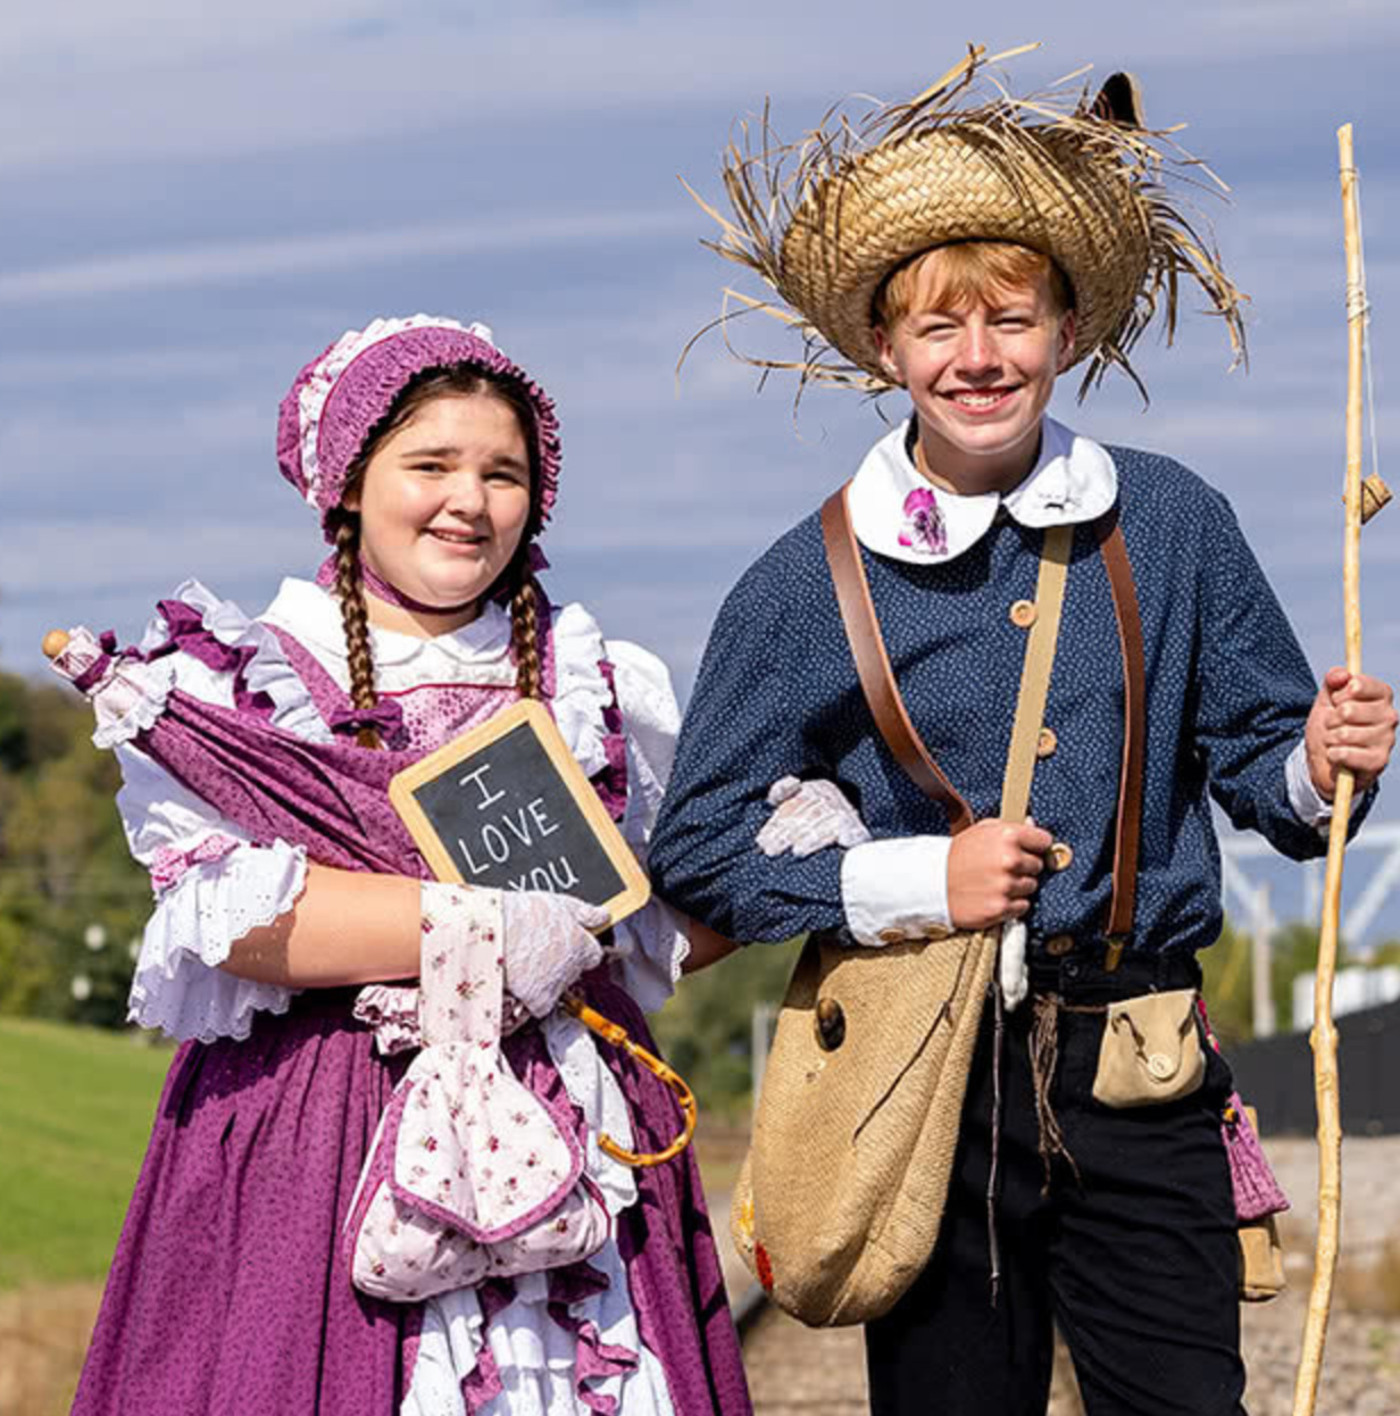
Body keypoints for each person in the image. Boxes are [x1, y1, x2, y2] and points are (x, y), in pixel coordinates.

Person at [648, 51, 1398, 1416]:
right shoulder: (807, 581)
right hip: (922, 1075)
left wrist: (1322, 757)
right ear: (884, 347)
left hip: (1142, 1061)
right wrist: (910, 882)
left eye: (1011, 316)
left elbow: (1265, 773)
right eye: (939, 327)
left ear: (1068, 329)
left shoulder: (1171, 525)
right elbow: (694, 846)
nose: (977, 356)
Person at [63, 315, 751, 1416]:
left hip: (569, 1119)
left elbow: (641, 931)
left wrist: (783, 868)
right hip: (320, 1132)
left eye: (502, 473)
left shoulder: (594, 679)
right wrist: (485, 927)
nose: (467, 502)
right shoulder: (243, 682)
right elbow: (239, 926)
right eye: (428, 464)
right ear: (344, 482)